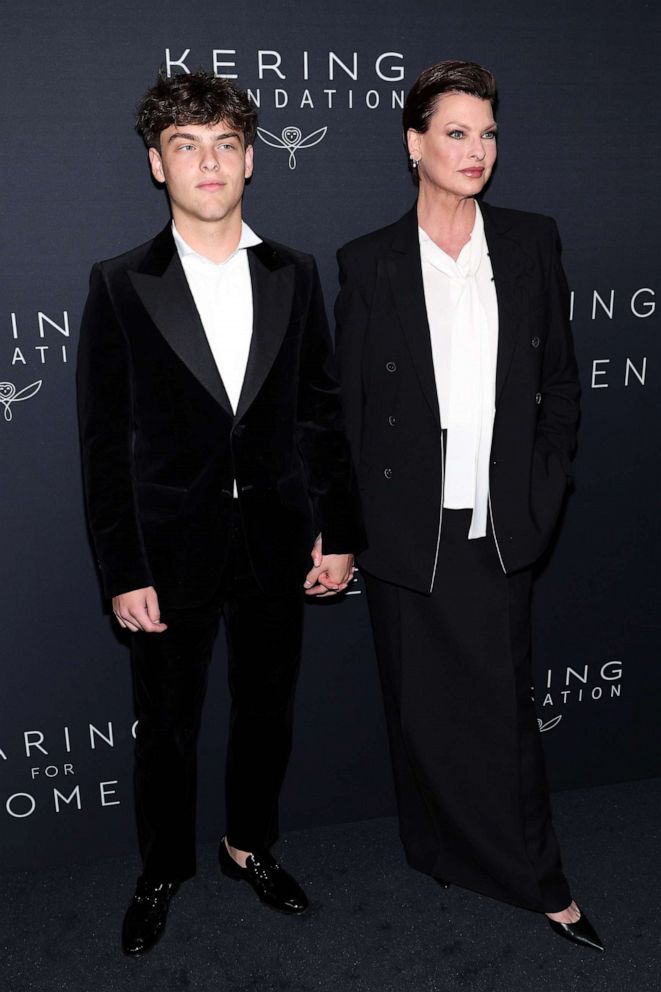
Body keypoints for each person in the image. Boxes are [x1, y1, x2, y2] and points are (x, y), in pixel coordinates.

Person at [77, 71, 363, 956]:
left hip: (276, 540)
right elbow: (102, 441)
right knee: (166, 724)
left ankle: (250, 845)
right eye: (186, 146)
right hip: (168, 551)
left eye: (225, 144)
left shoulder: (294, 272)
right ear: (158, 166)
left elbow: (320, 411)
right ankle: (161, 868)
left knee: (266, 708)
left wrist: (339, 529)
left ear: (250, 158)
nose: (209, 162)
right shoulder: (121, 283)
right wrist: (123, 568)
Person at [335, 60, 603, 952]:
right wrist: (338, 530)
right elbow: (348, 413)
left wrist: (542, 481)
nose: (475, 149)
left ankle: (542, 883)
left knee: (501, 714)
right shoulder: (368, 262)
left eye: (486, 132)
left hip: (498, 520)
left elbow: (558, 382)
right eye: (455, 132)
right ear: (414, 144)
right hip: (402, 527)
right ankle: (436, 849)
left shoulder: (530, 241)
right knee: (415, 705)